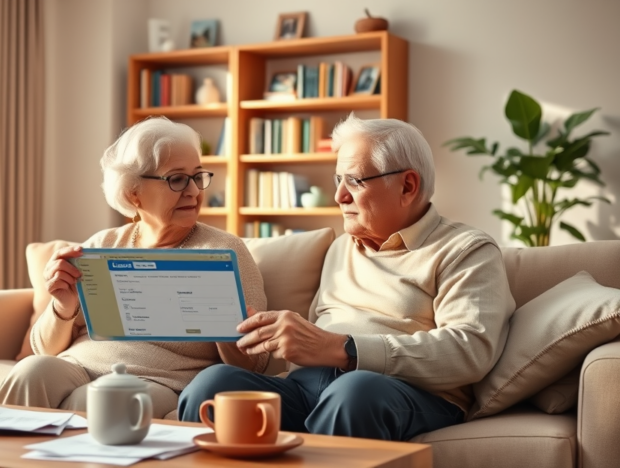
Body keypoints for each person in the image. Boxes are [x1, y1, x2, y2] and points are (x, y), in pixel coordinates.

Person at [178, 116, 515, 441]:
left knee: (354, 391)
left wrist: (344, 349)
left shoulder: (466, 250)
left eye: (354, 181)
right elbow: (308, 341)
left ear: (407, 186)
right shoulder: (341, 247)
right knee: (213, 385)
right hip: (306, 389)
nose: (339, 195)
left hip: (403, 393)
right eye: (337, 180)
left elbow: (469, 351)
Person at [0, 117, 268, 417]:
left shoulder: (223, 252)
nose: (193, 191)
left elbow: (254, 365)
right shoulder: (103, 245)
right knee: (31, 371)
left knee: (102, 400)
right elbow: (45, 350)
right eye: (177, 179)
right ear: (133, 193)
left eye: (197, 176)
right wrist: (63, 306)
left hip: (158, 381)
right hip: (78, 364)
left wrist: (223, 324)